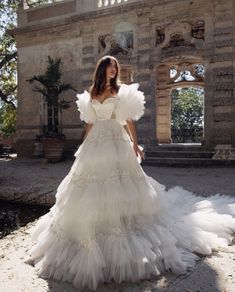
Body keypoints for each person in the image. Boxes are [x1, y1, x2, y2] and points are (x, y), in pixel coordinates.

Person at [28, 55, 235, 291]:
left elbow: (128, 121)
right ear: (102, 69)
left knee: (121, 185)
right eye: (110, 67)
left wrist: (135, 145)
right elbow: (90, 122)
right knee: (89, 187)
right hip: (96, 143)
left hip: (117, 142)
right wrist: (83, 144)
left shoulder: (121, 92)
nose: (114, 70)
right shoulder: (92, 93)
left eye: (115, 67)